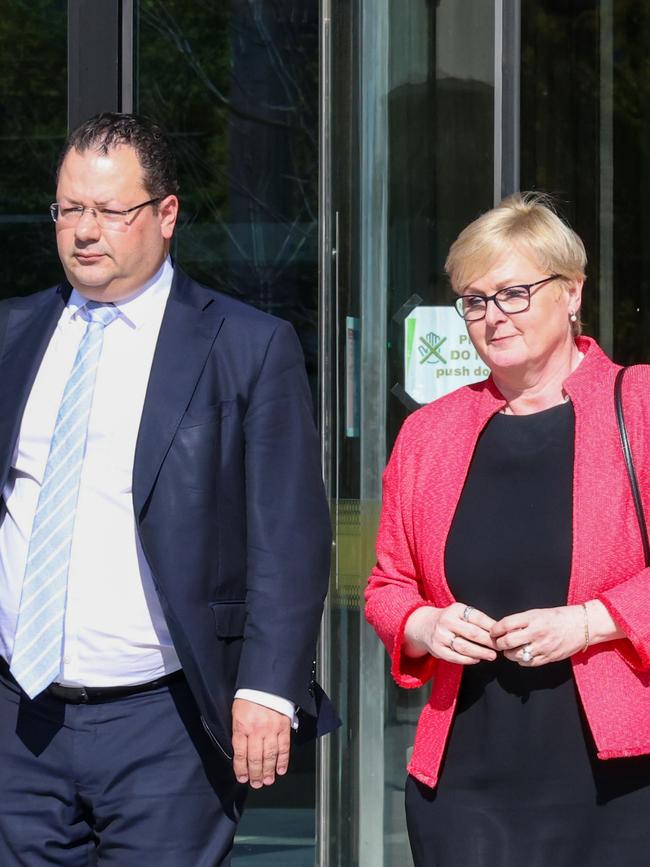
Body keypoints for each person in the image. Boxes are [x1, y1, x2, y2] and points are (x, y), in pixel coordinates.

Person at [0, 112, 336, 866]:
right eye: (70, 209)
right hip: (18, 721)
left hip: (166, 722)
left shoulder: (245, 346)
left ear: (166, 214)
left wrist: (269, 687)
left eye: (111, 210)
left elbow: (288, 535)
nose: (86, 231)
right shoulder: (14, 334)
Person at [365, 192, 650, 867]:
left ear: (572, 291)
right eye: (474, 299)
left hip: (620, 778)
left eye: (514, 292)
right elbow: (387, 585)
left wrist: (592, 621)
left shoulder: (638, 405)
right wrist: (423, 627)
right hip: (465, 781)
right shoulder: (428, 434)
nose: (492, 315)